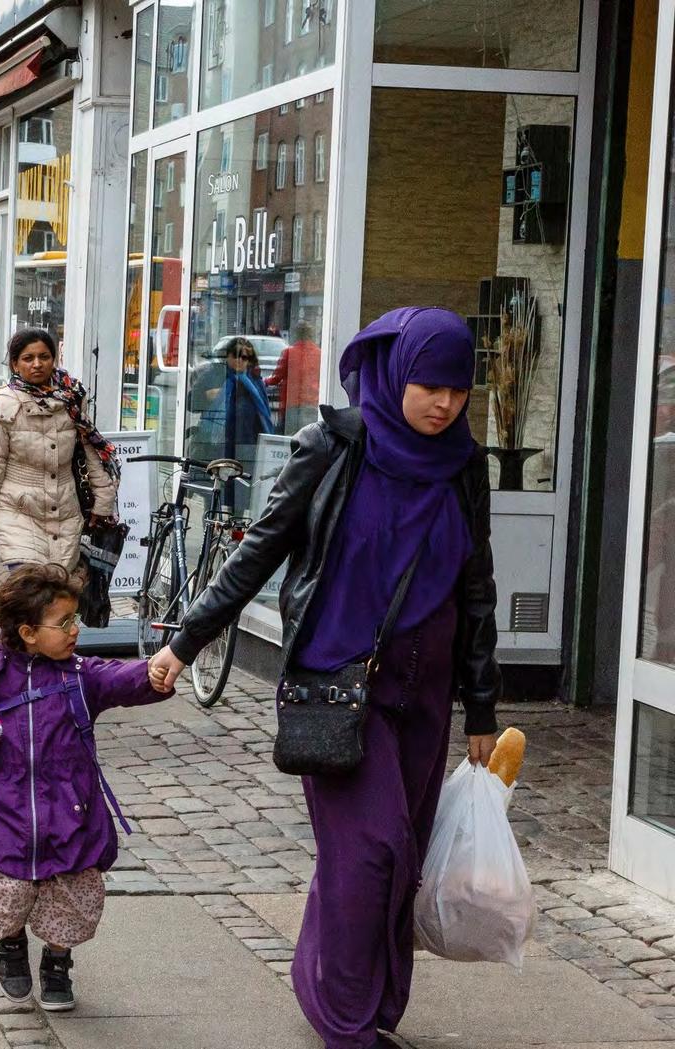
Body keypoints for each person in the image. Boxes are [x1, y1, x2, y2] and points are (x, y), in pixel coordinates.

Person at [149, 307, 501, 1049]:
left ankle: (358, 993)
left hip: (427, 693)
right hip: (340, 684)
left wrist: (481, 705)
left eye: (458, 390)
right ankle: (344, 1021)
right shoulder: (335, 445)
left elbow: (477, 586)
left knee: (394, 858)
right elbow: (260, 548)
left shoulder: (464, 463)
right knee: (372, 851)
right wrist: (186, 642)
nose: (444, 404)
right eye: (430, 387)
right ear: (398, 372)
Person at [0, 564, 172, 1011]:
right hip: (8, 813)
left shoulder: (80, 677)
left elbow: (121, 679)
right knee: (6, 894)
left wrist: (154, 673)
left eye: (74, 619)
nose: (75, 630)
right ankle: (10, 946)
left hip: (72, 812)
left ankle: (57, 962)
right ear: (28, 632)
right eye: (63, 622)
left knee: (70, 898)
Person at [0, 328, 120, 568]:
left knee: (58, 596)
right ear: (15, 364)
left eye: (44, 357)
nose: (37, 364)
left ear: (53, 359)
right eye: (28, 358)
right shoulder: (3, 407)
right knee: (30, 590)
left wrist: (103, 502)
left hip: (66, 514)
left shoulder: (72, 399)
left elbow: (89, 452)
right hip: (17, 515)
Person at [188, 336, 274, 510]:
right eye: (235, 355)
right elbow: (191, 402)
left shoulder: (254, 382)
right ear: (227, 356)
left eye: (245, 357)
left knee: (240, 498)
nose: (239, 360)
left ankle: (236, 535)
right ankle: (211, 534)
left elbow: (264, 416)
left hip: (245, 446)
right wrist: (207, 396)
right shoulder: (214, 374)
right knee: (213, 497)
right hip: (215, 446)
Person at [265, 321, 322, 434]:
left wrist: (264, 381)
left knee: (289, 438)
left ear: (296, 335)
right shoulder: (319, 353)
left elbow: (277, 377)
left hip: (292, 404)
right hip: (312, 403)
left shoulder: (289, 352)